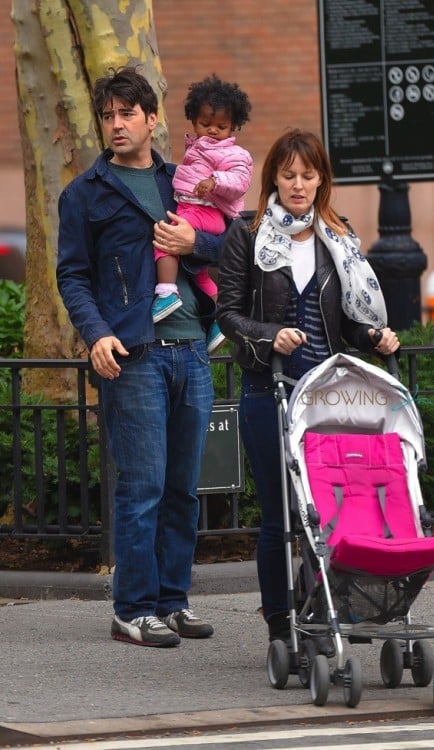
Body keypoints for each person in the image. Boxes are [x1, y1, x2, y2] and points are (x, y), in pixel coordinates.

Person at [57, 66, 224, 647]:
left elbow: (230, 242)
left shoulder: (184, 182)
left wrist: (194, 244)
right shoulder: (85, 193)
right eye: (108, 115)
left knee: (182, 489)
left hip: (192, 351)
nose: (117, 123)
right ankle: (132, 608)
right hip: (134, 356)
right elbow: (73, 276)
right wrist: (96, 333)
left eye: (128, 113)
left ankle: (173, 602)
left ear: (153, 119)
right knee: (143, 486)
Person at [216, 128, 400, 644]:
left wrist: (374, 336)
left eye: (308, 175)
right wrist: (271, 335)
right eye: (288, 174)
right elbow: (228, 315)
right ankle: (281, 625)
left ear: (322, 179)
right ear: (273, 176)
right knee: (279, 515)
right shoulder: (247, 234)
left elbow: (343, 325)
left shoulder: (337, 237)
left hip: (326, 395)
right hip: (267, 390)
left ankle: (321, 608)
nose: (298, 184)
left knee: (329, 511)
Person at [152, 74, 253, 358]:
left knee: (166, 237)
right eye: (205, 124)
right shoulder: (199, 146)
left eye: (221, 126)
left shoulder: (232, 152)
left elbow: (240, 180)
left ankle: (166, 291)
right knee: (196, 273)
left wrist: (215, 180)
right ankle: (221, 318)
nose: (212, 131)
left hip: (205, 211)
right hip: (195, 207)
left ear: (233, 127)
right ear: (193, 122)